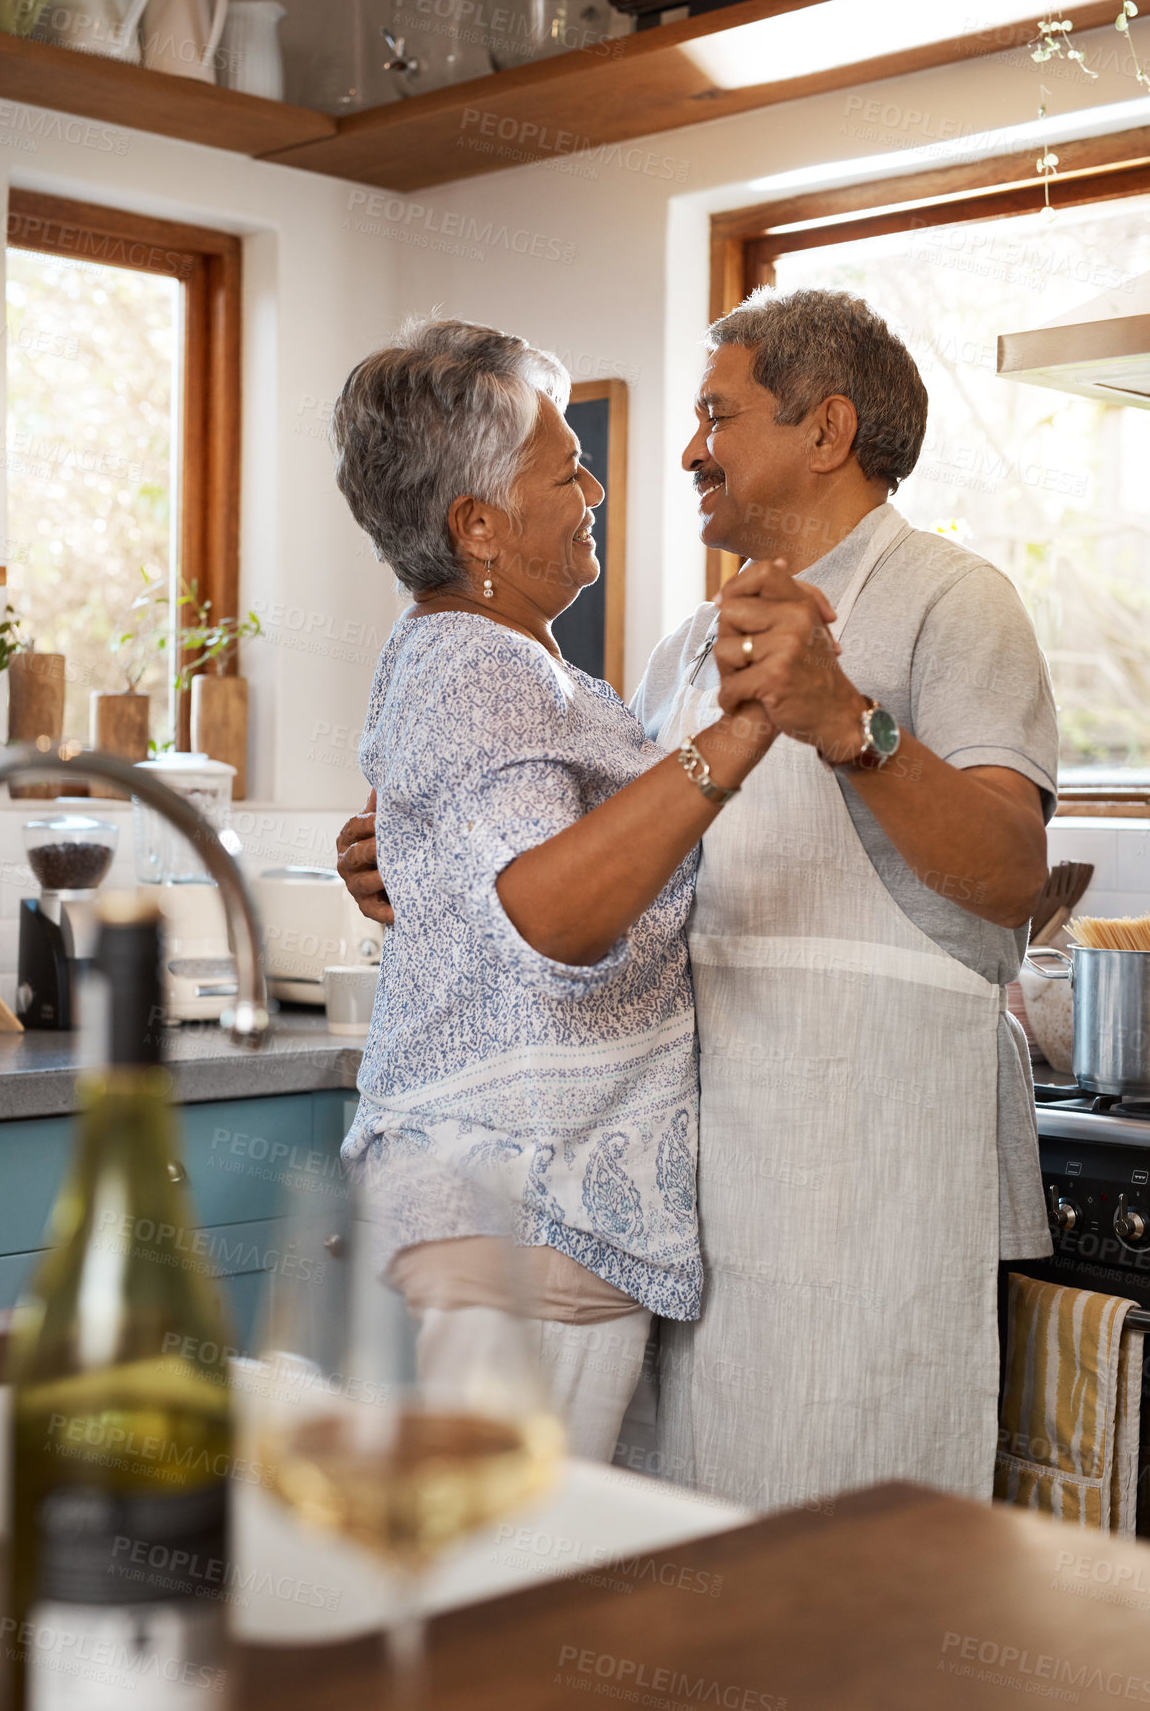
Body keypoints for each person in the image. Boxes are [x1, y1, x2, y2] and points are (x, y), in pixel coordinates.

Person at [339, 290, 1056, 1512]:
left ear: (827, 430)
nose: (682, 451)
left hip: (858, 1192)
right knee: (660, 1559)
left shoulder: (955, 599)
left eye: (717, 413)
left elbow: (1011, 875)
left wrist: (849, 724)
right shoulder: (680, 651)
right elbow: (583, 884)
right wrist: (434, 874)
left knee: (841, 1558)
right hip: (686, 1216)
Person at [328, 316, 780, 1463]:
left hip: (497, 1219)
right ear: (477, 525)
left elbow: (495, 874)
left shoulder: (480, 657)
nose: (593, 485)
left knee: (474, 1591)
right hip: (526, 1216)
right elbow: (552, 915)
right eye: (561, 466)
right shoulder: (482, 666)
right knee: (496, 1603)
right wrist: (742, 734)